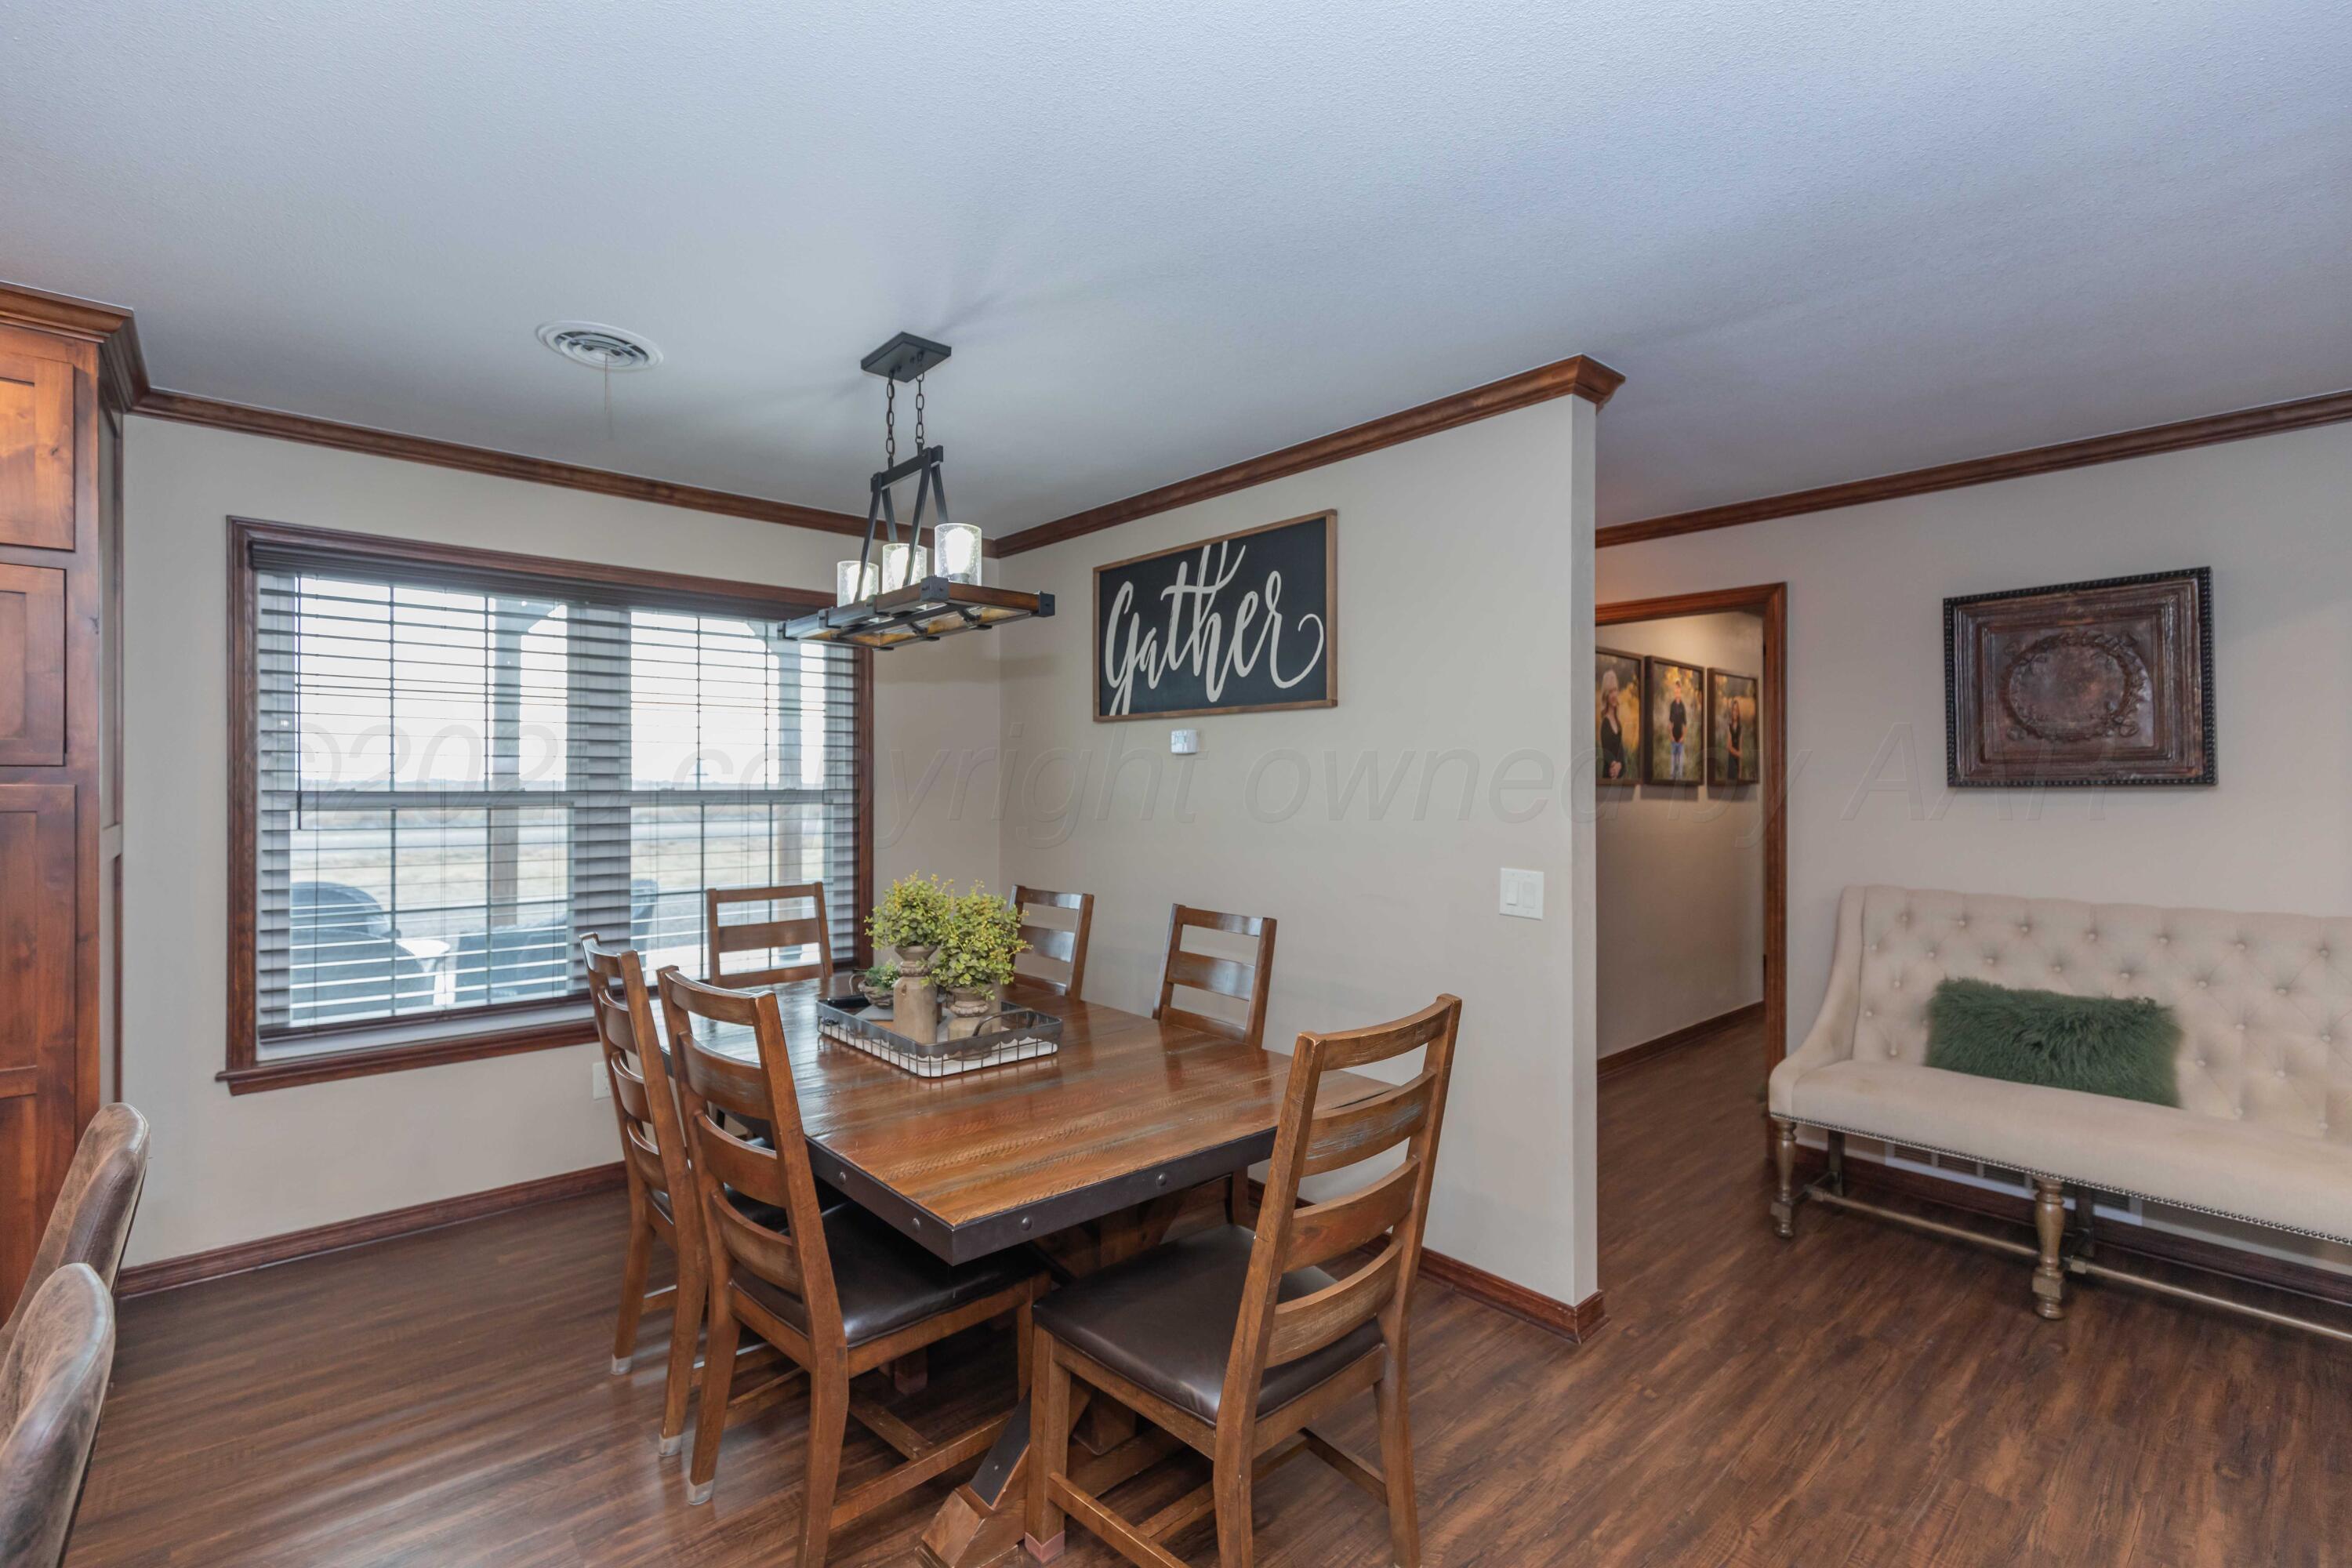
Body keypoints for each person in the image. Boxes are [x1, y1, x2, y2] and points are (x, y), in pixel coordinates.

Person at [1599, 668, 1628, 781]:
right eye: (1610, 691)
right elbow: (1607, 754)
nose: (1614, 695)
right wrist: (1615, 765)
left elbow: (1622, 756)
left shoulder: (1618, 723)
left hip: (1618, 782)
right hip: (1608, 779)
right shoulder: (1605, 723)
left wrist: (1619, 765)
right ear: (1606, 695)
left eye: (1615, 690)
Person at [1667, 673, 1690, 782]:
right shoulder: (1672, 705)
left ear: (1680, 691)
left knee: (1680, 762)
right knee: (1673, 761)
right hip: (1673, 739)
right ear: (1674, 691)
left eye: (1679, 690)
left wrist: (1683, 737)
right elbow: (1670, 723)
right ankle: (1672, 777)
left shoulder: (1683, 706)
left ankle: (1679, 778)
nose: (1677, 692)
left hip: (1680, 739)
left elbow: (1685, 724)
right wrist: (1670, 736)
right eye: (1675, 690)